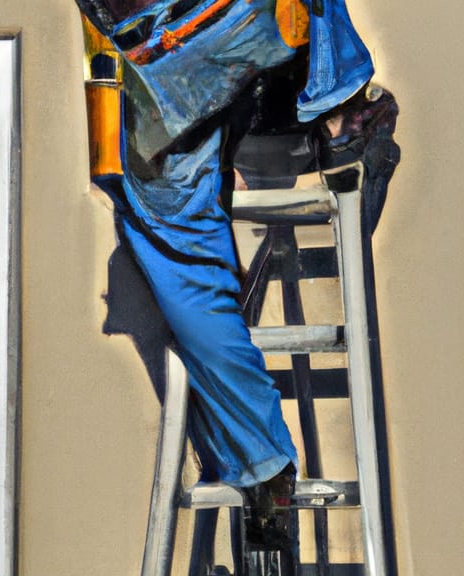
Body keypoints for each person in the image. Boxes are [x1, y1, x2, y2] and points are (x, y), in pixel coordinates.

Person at [76, 0, 385, 550]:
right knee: (182, 261)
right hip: (215, 36)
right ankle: (340, 109)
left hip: (151, 89)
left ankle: (258, 461)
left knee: (186, 269)